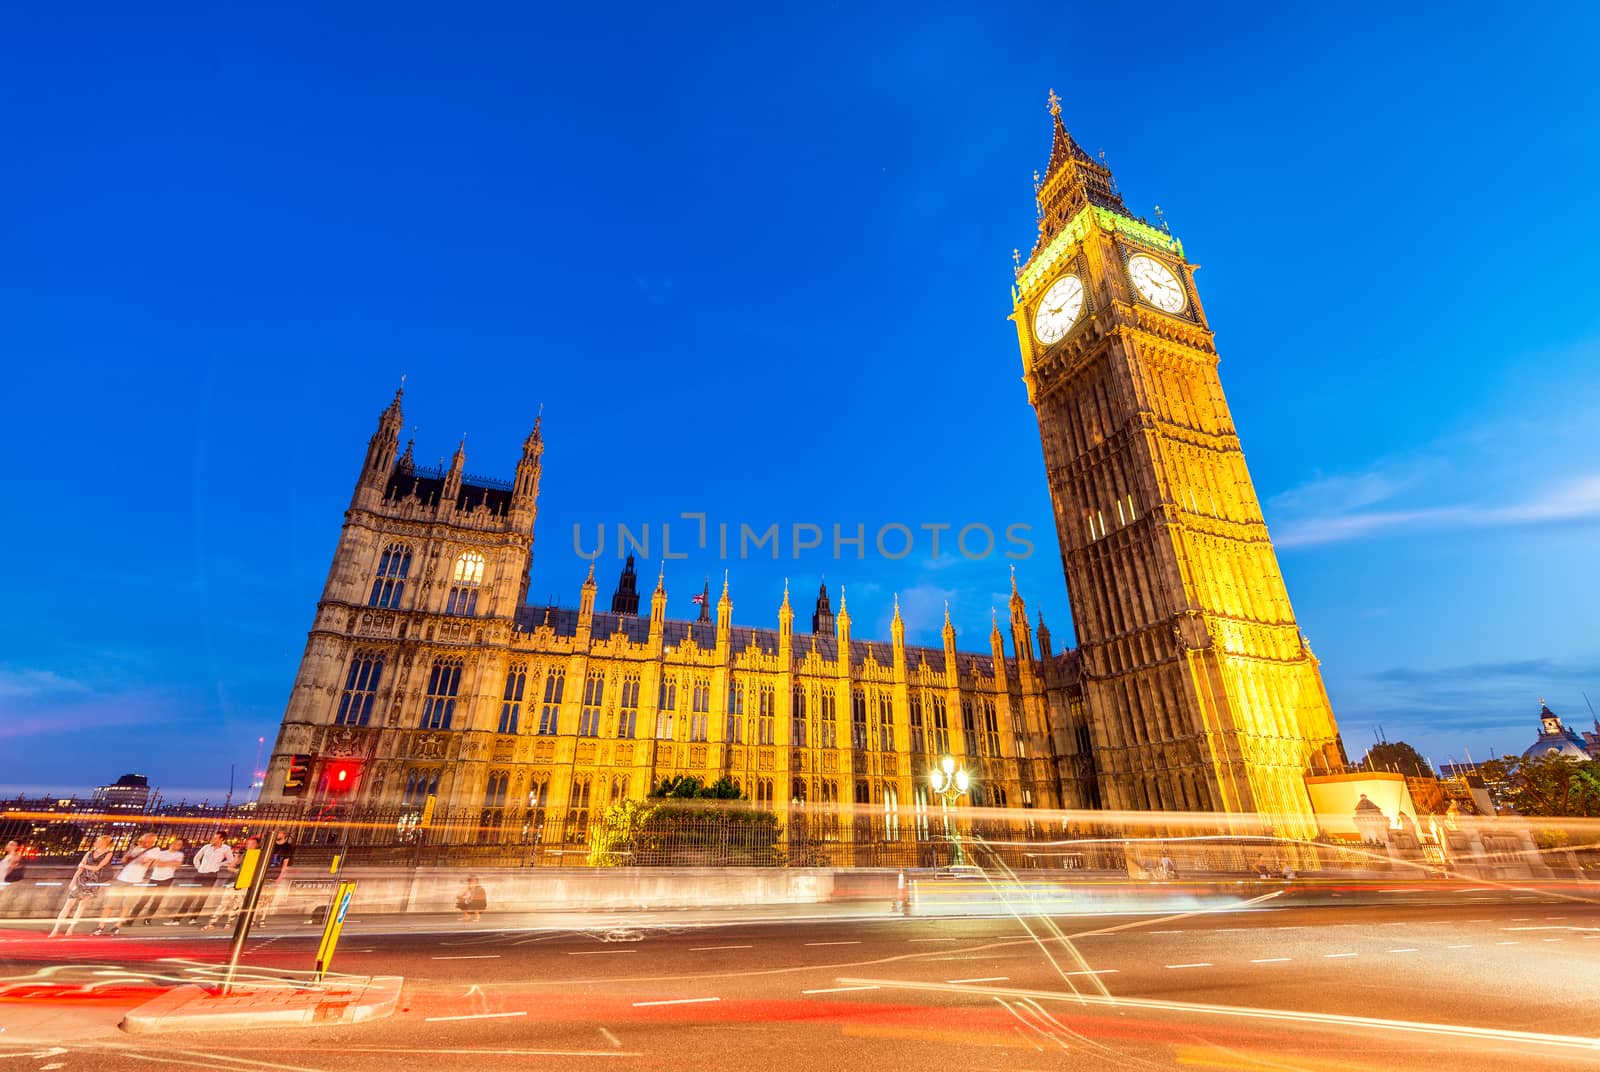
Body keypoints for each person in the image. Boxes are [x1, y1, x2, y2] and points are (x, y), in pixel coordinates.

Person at [49, 836, 116, 937]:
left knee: (81, 906)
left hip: (92, 882)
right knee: (68, 904)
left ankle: (70, 928)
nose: (96, 843)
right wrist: (73, 880)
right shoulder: (89, 853)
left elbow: (97, 867)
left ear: (104, 843)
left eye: (98, 841)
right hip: (81, 880)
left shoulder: (108, 854)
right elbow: (79, 868)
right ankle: (55, 929)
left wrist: (83, 866)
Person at [95, 833, 158, 936]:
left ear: (152, 841)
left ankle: (116, 926)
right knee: (109, 904)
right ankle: (100, 926)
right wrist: (133, 851)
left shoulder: (155, 851)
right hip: (122, 878)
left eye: (148, 840)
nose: (145, 841)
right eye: (144, 839)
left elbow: (144, 862)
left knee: (126, 905)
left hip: (136, 881)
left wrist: (138, 852)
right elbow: (124, 860)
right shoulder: (135, 848)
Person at [203, 836, 257, 931]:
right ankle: (212, 922)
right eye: (248, 844)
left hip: (244, 883)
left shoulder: (256, 856)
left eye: (252, 844)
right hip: (234, 882)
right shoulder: (243, 854)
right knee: (223, 903)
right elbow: (231, 866)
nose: (250, 846)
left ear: (257, 845)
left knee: (236, 904)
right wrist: (237, 857)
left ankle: (229, 922)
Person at [129, 837, 187, 925]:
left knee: (157, 900)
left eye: (180, 844)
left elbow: (177, 865)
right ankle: (131, 919)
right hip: (155, 877)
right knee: (144, 899)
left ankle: (148, 919)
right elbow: (156, 864)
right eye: (176, 843)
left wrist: (164, 863)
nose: (177, 846)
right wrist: (170, 862)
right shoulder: (161, 853)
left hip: (167, 879)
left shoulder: (179, 855)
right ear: (171, 843)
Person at [181, 831, 235, 924]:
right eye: (213, 837)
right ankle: (177, 919)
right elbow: (196, 858)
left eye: (216, 838)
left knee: (203, 898)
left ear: (221, 839)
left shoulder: (226, 848)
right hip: (201, 873)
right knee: (190, 896)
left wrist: (219, 864)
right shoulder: (206, 847)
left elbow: (230, 860)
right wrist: (199, 867)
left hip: (212, 875)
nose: (213, 839)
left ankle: (193, 919)